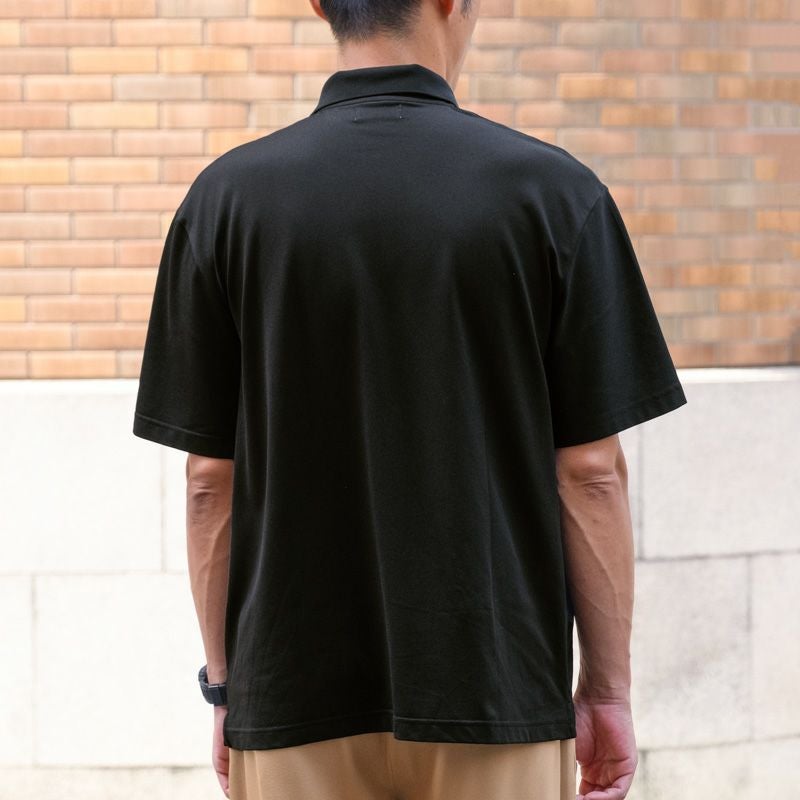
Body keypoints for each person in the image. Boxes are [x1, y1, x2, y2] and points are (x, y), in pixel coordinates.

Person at [132, 0, 688, 798]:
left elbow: (208, 482)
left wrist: (224, 687)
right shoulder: (555, 194)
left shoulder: (225, 201)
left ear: (320, 4)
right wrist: (606, 691)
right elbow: (590, 473)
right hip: (496, 697)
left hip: (292, 701)